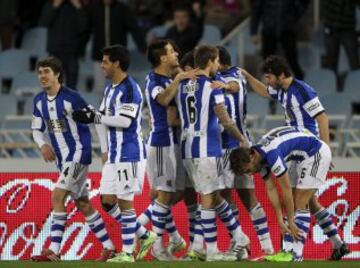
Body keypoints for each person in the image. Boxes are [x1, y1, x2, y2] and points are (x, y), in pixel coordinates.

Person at [241, 55, 350, 261]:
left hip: (309, 147)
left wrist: (326, 148)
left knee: (300, 199)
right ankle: (338, 244)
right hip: (293, 150)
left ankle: (294, 253)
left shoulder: (303, 90)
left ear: (282, 75)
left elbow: (322, 118)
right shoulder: (281, 90)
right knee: (310, 201)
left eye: (269, 77)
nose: (267, 82)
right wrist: (247, 76)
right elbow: (264, 92)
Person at [72, 45, 156, 263]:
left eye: (105, 61)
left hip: (130, 152)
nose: (102, 65)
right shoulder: (110, 89)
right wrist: (105, 150)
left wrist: (95, 118)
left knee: (125, 202)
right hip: (114, 154)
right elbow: (101, 118)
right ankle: (145, 236)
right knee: (107, 201)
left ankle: (127, 253)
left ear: (117, 63)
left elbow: (124, 121)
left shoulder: (131, 89)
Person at [30, 56, 116, 262]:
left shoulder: (72, 97)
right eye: (40, 72)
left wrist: (104, 151)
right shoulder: (39, 101)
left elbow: (97, 120)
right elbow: (36, 129)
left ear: (57, 74)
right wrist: (43, 145)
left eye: (46, 72)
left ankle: (54, 251)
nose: (42, 76)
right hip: (62, 160)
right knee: (83, 204)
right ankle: (110, 246)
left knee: (57, 196)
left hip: (78, 154)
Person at [177, 45, 250, 261]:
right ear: (210, 61)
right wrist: (241, 139)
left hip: (187, 149)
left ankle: (238, 236)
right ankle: (212, 251)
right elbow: (225, 119)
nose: (218, 65)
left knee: (214, 196)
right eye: (217, 61)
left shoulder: (183, 85)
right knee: (208, 199)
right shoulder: (211, 86)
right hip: (206, 148)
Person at [230, 126, 334, 262]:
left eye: (248, 169)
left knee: (300, 201)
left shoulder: (272, 154)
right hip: (303, 158)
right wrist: (279, 218)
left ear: (251, 156)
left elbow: (286, 189)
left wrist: (291, 220)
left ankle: (296, 254)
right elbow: (271, 188)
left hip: (316, 153)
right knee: (293, 205)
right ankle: (290, 251)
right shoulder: (258, 158)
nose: (250, 174)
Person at [213, 46, 274, 256]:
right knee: (227, 197)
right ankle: (241, 246)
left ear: (218, 61)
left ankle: (265, 246)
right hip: (225, 145)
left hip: (237, 145)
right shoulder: (217, 77)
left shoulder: (234, 76)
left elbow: (234, 87)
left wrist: (223, 84)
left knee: (245, 197)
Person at [142, 39, 197, 260]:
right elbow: (164, 99)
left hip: (171, 143)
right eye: (171, 51)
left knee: (172, 193)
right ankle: (156, 246)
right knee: (164, 194)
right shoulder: (154, 79)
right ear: (162, 58)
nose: (176, 53)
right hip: (161, 141)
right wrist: (179, 78)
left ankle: (162, 235)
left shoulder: (166, 78)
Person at [85, 0, 147, 93]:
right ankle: (101, 107)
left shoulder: (122, 8)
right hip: (99, 56)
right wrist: (79, 49)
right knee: (99, 89)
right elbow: (85, 30)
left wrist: (143, 48)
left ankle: (123, 106)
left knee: (121, 87)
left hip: (118, 56)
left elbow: (134, 29)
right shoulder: (94, 8)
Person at [250, 0, 309, 80]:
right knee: (267, 61)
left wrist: (294, 16)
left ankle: (300, 84)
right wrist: (254, 32)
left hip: (287, 28)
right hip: (269, 29)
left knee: (292, 60)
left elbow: (302, 5)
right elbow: (256, 11)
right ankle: (270, 86)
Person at [39, 0, 88, 89]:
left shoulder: (78, 5)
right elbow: (44, 22)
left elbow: (83, 26)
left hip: (72, 51)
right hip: (54, 51)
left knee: (72, 87)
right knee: (52, 85)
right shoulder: (51, 3)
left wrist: (77, 6)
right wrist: (55, 5)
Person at [322, 0, 360, 75]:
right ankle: (332, 85)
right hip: (331, 28)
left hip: (348, 28)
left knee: (354, 63)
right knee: (331, 66)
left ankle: (356, 84)